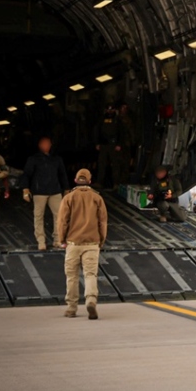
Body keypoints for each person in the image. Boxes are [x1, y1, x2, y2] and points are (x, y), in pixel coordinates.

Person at [57, 169, 107, 320]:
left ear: (75, 180)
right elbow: (103, 222)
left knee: (71, 276)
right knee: (90, 274)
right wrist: (101, 240)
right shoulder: (97, 198)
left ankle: (71, 308)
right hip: (92, 243)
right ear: (90, 181)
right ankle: (91, 300)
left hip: (73, 243)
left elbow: (62, 222)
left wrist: (62, 240)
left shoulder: (68, 198)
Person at [21, 136, 70, 251]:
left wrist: (66, 189)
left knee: (59, 216)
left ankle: (58, 240)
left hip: (55, 191)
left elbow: (63, 174)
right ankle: (41, 241)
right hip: (39, 192)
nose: (46, 146)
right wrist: (25, 189)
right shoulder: (33, 159)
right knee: (38, 216)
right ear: (39, 145)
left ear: (51, 145)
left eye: (48, 143)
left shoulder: (56, 159)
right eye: (44, 143)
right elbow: (26, 174)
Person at [95, 104, 124, 188]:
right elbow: (97, 131)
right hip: (103, 144)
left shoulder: (117, 120)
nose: (110, 111)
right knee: (101, 164)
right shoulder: (102, 119)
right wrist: (97, 143)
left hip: (113, 145)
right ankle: (99, 182)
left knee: (115, 165)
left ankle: (116, 183)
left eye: (111, 109)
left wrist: (119, 144)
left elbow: (121, 133)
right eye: (108, 109)